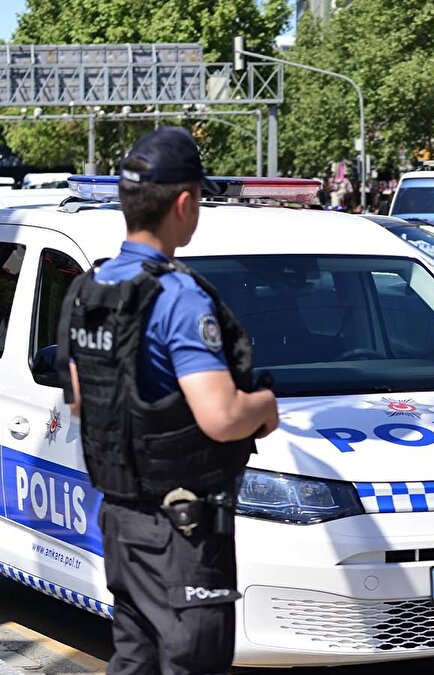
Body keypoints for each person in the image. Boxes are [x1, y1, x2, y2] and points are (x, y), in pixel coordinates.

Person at [57, 127, 279, 675]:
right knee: (190, 662)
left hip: (120, 518)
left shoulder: (90, 289)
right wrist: (265, 407)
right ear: (184, 203)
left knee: (136, 658)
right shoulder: (176, 296)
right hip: (182, 528)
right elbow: (222, 416)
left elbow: (85, 403)